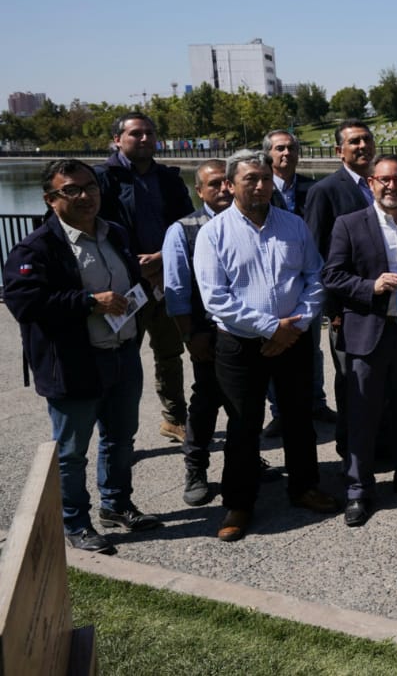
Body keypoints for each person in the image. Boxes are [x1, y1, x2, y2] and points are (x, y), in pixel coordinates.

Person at [4, 158, 161, 554]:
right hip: (74, 364)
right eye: (70, 190)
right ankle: (75, 522)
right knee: (72, 452)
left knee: (121, 439)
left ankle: (117, 505)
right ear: (50, 198)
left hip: (123, 354)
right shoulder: (36, 247)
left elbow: (128, 281)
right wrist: (88, 302)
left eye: (90, 187)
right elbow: (24, 302)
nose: (85, 196)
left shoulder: (115, 233)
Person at [195, 150, 339, 542]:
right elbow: (215, 298)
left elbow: (315, 278)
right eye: (250, 180)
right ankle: (239, 502)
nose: (260, 186)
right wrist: (270, 328)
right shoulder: (214, 233)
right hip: (240, 346)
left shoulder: (293, 225)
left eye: (264, 178)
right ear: (230, 185)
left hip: (293, 340)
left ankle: (304, 485)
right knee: (243, 426)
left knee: (298, 417)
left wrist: (296, 326)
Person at [322, 154, 397, 527]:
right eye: (384, 180)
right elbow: (332, 275)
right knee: (362, 413)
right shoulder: (349, 224)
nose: (391, 186)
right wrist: (370, 286)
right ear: (372, 183)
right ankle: (358, 490)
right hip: (367, 332)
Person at [94, 111, 194, 443]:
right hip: (123, 284)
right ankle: (120, 432)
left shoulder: (168, 178)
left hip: (164, 279)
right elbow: (100, 230)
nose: (145, 138)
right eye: (136, 133)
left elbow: (187, 223)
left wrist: (164, 259)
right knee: (121, 358)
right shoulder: (102, 179)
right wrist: (138, 267)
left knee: (170, 354)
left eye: (150, 133)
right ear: (117, 140)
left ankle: (175, 418)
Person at [304, 120, 380, 461]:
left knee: (381, 380)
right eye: (354, 142)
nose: (362, 146)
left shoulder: (383, 182)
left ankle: (382, 443)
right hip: (347, 306)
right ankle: (350, 450)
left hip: (385, 301)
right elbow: (316, 254)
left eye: (366, 139)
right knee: (352, 381)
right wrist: (332, 309)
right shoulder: (325, 191)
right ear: (339, 151)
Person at [162, 159, 233, 506]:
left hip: (247, 332)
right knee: (206, 403)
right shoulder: (183, 229)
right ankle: (196, 468)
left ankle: (245, 460)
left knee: (244, 404)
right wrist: (190, 335)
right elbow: (176, 289)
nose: (223, 189)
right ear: (199, 191)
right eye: (214, 184)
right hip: (207, 334)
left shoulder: (249, 219)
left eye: (226, 183)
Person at [264, 128, 335, 432]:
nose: (287, 153)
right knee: (274, 347)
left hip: (309, 280)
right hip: (274, 283)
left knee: (311, 348)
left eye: (291, 148)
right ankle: (279, 411)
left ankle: (316, 403)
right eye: (280, 148)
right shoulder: (261, 189)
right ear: (268, 154)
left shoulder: (314, 189)